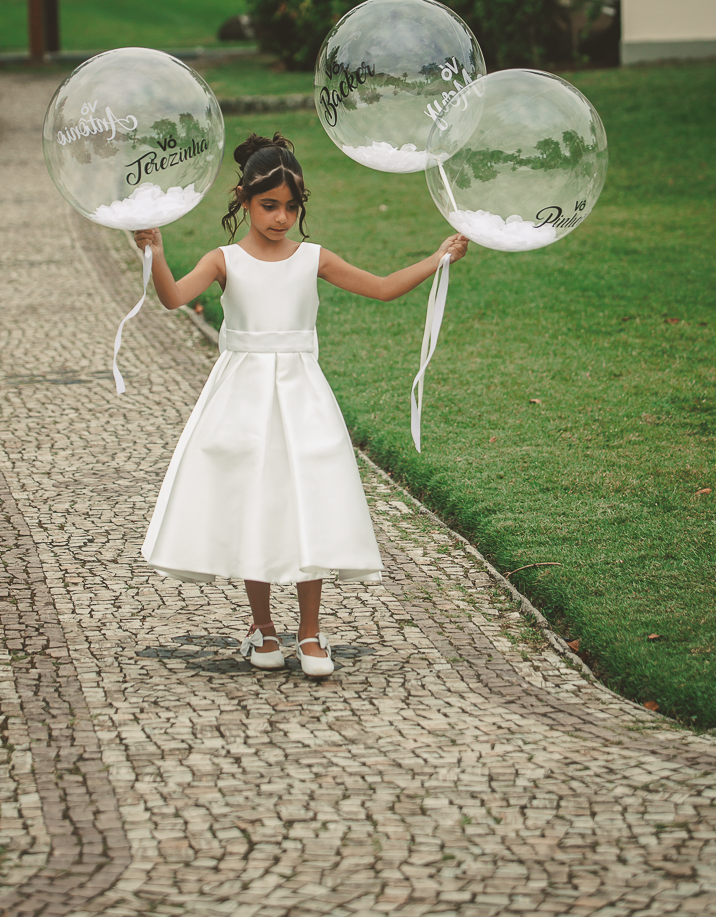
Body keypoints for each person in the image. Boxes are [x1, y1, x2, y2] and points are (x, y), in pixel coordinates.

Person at [135, 133, 467, 678]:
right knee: (255, 502)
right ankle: (262, 626)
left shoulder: (313, 258)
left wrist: (438, 257)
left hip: (302, 393)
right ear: (242, 199)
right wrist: (154, 253)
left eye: (291, 207)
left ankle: (311, 631)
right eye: (269, 206)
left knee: (309, 497)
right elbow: (173, 298)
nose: (281, 217)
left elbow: (382, 288)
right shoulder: (223, 260)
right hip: (241, 395)